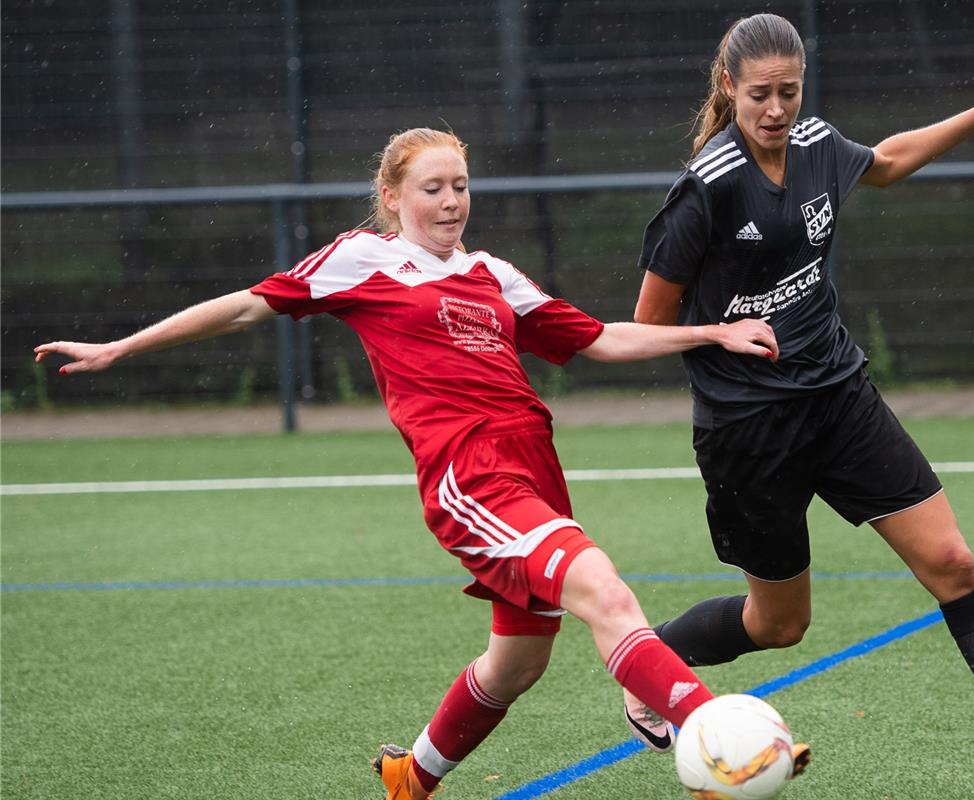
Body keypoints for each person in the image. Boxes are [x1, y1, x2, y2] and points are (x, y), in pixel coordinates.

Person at [33, 127, 802, 800]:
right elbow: (242, 305)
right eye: (431, 188)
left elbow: (598, 339)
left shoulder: (491, 274)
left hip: (533, 472)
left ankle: (413, 778)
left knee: (516, 664)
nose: (450, 201)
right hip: (471, 479)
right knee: (603, 589)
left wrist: (710, 334)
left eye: (460, 186)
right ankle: (717, 734)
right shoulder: (364, 260)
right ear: (392, 196)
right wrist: (123, 346)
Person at [626, 13, 974, 800]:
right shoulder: (704, 189)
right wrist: (720, 330)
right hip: (749, 429)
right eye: (759, 96)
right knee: (778, 625)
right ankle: (648, 672)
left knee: (953, 565)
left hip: (839, 397)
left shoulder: (811, 143)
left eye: (788, 92)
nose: (775, 110)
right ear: (726, 88)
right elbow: (643, 325)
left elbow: (883, 162)